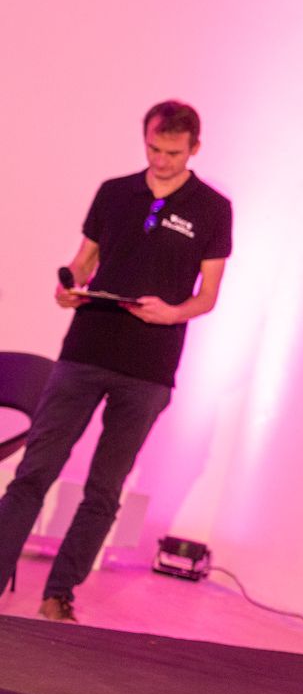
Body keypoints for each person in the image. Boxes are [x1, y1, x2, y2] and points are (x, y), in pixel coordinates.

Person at [0, 101, 232, 622]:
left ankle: (59, 595)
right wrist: (70, 288)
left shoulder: (214, 209)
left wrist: (173, 312)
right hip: (85, 352)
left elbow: (209, 295)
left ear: (194, 148)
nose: (161, 160)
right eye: (153, 148)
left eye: (173, 152)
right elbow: (83, 261)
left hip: (149, 369)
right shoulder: (114, 192)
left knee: (104, 490)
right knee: (34, 472)